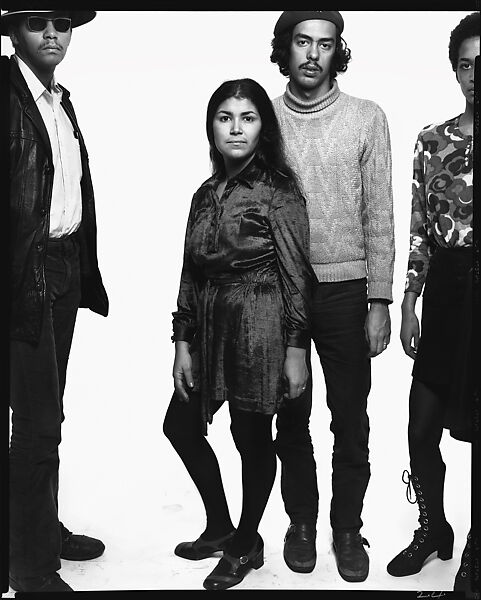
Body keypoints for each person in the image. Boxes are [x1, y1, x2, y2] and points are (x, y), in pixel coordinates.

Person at [163, 77, 315, 591]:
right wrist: (182, 339)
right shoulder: (205, 193)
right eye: (225, 117)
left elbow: (297, 275)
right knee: (180, 426)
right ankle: (221, 525)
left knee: (251, 437)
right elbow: (189, 270)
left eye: (247, 117)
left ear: (263, 128)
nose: (235, 127)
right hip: (208, 321)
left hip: (260, 319)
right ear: (211, 127)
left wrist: (296, 349)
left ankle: (247, 541)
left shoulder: (278, 191)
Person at [269, 11, 395, 582]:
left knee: (351, 418)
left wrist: (379, 299)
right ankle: (300, 522)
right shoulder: (264, 117)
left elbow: (379, 214)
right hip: (281, 289)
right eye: (302, 42)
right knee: (290, 418)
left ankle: (347, 528)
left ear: (337, 50)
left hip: (348, 291)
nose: (313, 55)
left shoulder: (367, 119)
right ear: (286, 48)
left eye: (325, 44)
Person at [2, 9, 109, 593]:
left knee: (47, 415)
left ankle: (36, 528)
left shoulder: (56, 98)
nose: (52, 34)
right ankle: (31, 565)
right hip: (24, 271)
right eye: (38, 21)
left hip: (61, 267)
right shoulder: (6, 92)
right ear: (13, 30)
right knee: (37, 423)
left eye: (62, 23)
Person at [386, 12, 479, 599]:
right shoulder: (433, 139)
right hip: (445, 288)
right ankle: (434, 525)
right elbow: (420, 227)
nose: (476, 75)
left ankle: (476, 549)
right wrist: (409, 300)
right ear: (454, 70)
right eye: (466, 64)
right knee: (423, 424)